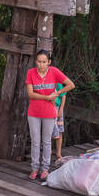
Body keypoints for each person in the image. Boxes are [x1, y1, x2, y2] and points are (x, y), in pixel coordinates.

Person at [25, 50, 74, 181]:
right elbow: (30, 94)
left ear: (49, 62)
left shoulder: (54, 72)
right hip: (34, 113)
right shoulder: (31, 73)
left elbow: (70, 85)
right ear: (36, 61)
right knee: (35, 141)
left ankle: (45, 169)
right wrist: (47, 96)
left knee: (46, 141)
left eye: (44, 62)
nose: (41, 64)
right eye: (39, 62)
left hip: (49, 113)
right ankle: (34, 168)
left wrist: (56, 94)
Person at [52, 79, 68, 162]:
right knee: (48, 131)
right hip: (48, 109)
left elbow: (63, 96)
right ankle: (48, 151)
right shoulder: (44, 83)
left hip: (58, 109)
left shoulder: (58, 83)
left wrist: (61, 109)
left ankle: (58, 153)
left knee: (60, 131)